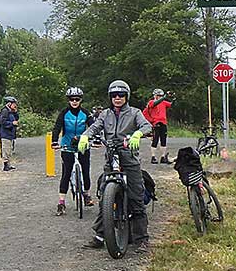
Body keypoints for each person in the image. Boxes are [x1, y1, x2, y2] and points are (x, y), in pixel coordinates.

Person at [78, 80, 152, 254]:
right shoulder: (105, 114)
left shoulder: (135, 112)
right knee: (105, 197)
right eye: (114, 95)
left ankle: (141, 238)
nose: (117, 98)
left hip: (129, 157)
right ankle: (100, 236)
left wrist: (138, 134)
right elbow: (94, 127)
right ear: (110, 97)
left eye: (121, 95)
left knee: (136, 196)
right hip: (111, 156)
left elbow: (147, 125)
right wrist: (85, 137)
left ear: (127, 96)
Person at [51, 87, 94, 216]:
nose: (74, 101)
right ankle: (61, 202)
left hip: (82, 145)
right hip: (67, 145)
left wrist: (95, 139)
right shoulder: (64, 113)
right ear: (68, 100)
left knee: (86, 171)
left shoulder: (86, 113)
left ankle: (86, 194)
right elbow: (57, 127)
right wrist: (54, 141)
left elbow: (93, 127)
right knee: (66, 173)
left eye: (77, 99)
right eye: (71, 99)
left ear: (81, 100)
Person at [143, 88, 175, 164]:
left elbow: (171, 105)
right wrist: (164, 97)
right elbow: (155, 104)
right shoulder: (151, 102)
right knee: (155, 140)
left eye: (160, 96)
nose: (159, 97)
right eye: (158, 95)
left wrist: (173, 98)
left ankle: (163, 157)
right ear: (155, 96)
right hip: (155, 123)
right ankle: (153, 156)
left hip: (163, 123)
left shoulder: (164, 102)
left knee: (163, 140)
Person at [0, 96, 19, 171]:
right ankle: (5, 165)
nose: (15, 105)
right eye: (14, 104)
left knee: (10, 150)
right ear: (9, 103)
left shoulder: (11, 111)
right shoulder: (5, 111)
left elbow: (17, 118)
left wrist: (15, 112)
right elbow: (3, 122)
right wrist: (12, 123)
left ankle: (9, 164)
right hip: (5, 134)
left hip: (11, 134)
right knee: (6, 150)